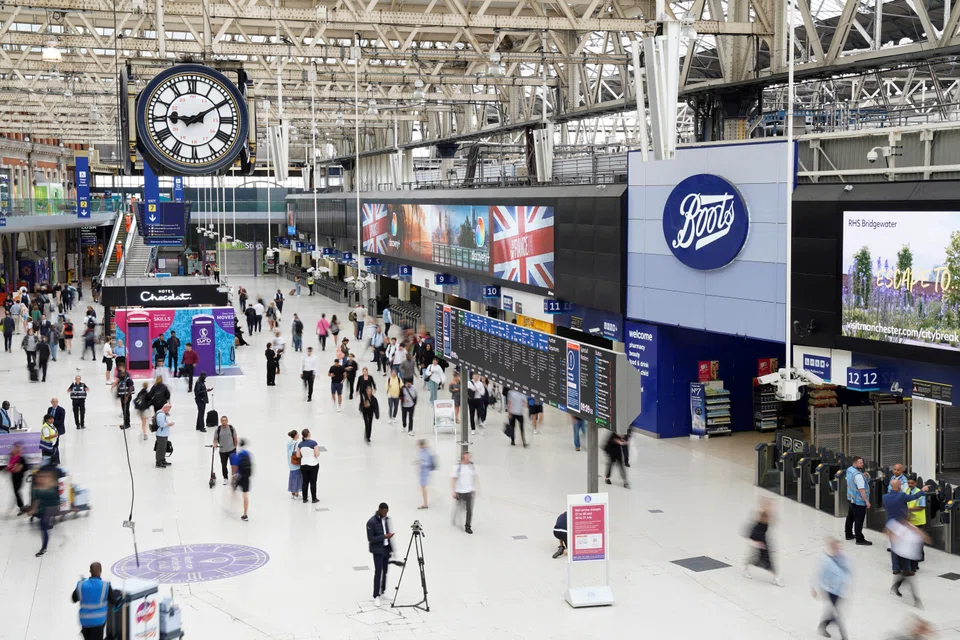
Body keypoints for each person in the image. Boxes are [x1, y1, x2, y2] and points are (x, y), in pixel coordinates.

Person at [812, 538, 851, 640]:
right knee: (837, 614)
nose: (839, 549)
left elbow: (845, 570)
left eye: (839, 547)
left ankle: (822, 626)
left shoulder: (841, 557)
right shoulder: (827, 562)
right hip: (831, 591)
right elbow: (820, 576)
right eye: (836, 547)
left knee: (833, 612)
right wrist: (817, 589)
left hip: (839, 591)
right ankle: (844, 637)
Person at [887, 517, 928, 607]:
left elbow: (924, 538)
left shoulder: (912, 529)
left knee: (906, 574)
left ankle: (895, 587)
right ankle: (916, 599)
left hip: (909, 556)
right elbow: (889, 533)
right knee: (910, 576)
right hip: (903, 555)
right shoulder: (898, 527)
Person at [743, 498, 782, 586]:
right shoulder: (763, 518)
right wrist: (758, 542)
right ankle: (775, 577)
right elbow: (756, 531)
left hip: (761, 541)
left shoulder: (765, 516)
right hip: (759, 541)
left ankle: (774, 577)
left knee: (761, 558)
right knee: (759, 558)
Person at [72, 562, 113, 640]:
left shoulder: (82, 585)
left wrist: (81, 585)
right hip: (98, 623)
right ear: (100, 570)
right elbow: (114, 601)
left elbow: (74, 599)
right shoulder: (105, 586)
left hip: (85, 622)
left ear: (90, 571)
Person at [366, 502, 396, 607]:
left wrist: (391, 549)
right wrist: (383, 537)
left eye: (387, 512)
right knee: (378, 572)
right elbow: (371, 539)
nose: (386, 514)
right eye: (384, 512)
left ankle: (383, 591)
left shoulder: (386, 520)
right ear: (379, 509)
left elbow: (388, 534)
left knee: (385, 571)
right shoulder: (371, 522)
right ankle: (376, 595)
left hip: (386, 549)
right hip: (377, 550)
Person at [29, 468, 59, 556]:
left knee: (43, 528)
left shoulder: (49, 489)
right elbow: (36, 499)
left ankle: (44, 549)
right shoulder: (40, 488)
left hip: (48, 510)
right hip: (43, 509)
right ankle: (47, 524)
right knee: (43, 524)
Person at [844, 456, 872, 545]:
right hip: (859, 501)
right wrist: (867, 501)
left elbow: (851, 481)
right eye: (860, 463)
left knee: (850, 517)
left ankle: (848, 534)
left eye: (862, 462)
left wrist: (864, 476)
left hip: (851, 498)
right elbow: (861, 489)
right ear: (855, 463)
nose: (862, 464)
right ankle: (859, 539)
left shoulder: (849, 470)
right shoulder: (858, 475)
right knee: (859, 520)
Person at [452, 452, 477, 534]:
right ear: (463, 459)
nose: (468, 460)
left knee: (469, 510)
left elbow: (474, 476)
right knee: (460, 507)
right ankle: (455, 515)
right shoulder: (457, 467)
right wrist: (454, 491)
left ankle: (468, 526)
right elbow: (453, 479)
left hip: (469, 492)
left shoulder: (471, 466)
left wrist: (474, 487)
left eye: (469, 458)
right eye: (466, 459)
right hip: (460, 492)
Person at [230, 438, 252, 521]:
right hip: (246, 477)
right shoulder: (248, 454)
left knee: (233, 490)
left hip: (239, 477)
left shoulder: (237, 455)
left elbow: (235, 468)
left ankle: (232, 506)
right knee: (245, 495)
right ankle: (245, 514)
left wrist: (233, 479)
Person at [298, 428, 320, 504]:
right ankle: (314, 498)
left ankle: (304, 498)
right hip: (313, 464)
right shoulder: (314, 443)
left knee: (305, 482)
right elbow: (317, 454)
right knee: (313, 482)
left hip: (303, 464)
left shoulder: (300, 444)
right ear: (308, 434)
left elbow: (298, 455)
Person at [7, 442, 28, 515]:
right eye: (15, 447)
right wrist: (10, 468)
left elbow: (26, 468)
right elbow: (9, 467)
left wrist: (20, 468)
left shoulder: (21, 458)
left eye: (17, 448)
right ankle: (21, 507)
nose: (15, 449)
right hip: (13, 476)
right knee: (16, 492)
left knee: (17, 491)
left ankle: (22, 507)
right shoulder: (11, 457)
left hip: (19, 476)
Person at [113, 364, 135, 430]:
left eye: (123, 374)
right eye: (121, 374)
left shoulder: (128, 380)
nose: (121, 375)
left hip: (127, 397)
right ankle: (125, 422)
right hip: (122, 397)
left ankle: (127, 424)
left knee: (126, 410)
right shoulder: (121, 380)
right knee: (124, 410)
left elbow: (130, 388)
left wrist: (127, 397)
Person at [416, 439, 435, 509]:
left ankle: (425, 503)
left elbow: (428, 463)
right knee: (423, 487)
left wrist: (421, 463)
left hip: (424, 472)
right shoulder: (422, 451)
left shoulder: (426, 452)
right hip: (422, 472)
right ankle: (425, 502)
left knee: (423, 487)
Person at [154, 403, 174, 469]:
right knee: (160, 448)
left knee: (163, 448)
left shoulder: (160, 413)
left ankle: (162, 459)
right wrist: (169, 424)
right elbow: (161, 424)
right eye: (168, 409)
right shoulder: (160, 415)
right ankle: (159, 462)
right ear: (165, 408)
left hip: (163, 434)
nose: (168, 411)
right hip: (161, 434)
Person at [286, 430, 302, 499]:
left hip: (290, 463)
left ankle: (292, 493)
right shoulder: (297, 444)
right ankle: (296, 494)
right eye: (298, 434)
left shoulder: (289, 443)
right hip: (296, 464)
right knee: (297, 478)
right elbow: (298, 454)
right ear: (295, 435)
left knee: (292, 478)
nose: (299, 435)